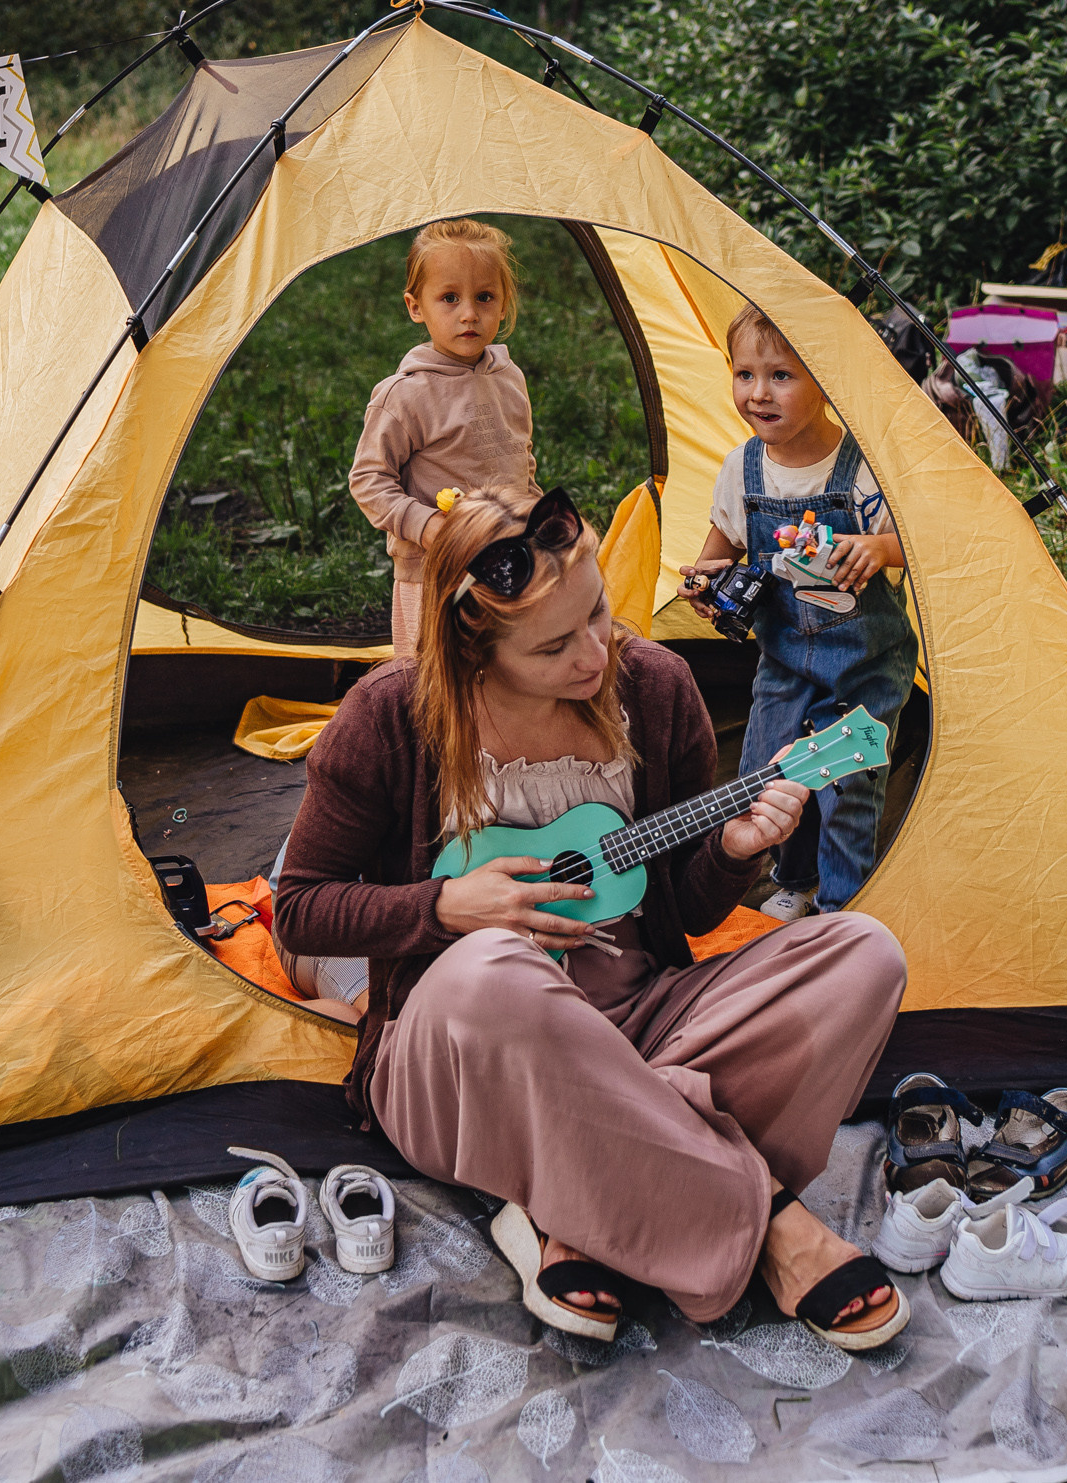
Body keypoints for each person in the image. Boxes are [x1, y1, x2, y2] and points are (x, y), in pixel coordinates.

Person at [273, 485, 910, 1347]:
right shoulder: (392, 715)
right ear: (475, 653)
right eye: (553, 645)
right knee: (492, 971)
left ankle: (568, 1195)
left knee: (865, 954)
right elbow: (301, 909)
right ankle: (768, 1222)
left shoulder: (655, 686)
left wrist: (732, 851)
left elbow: (679, 906)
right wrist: (445, 906)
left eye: (599, 613)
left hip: (645, 1020)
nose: (595, 653)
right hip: (468, 1052)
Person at [678, 305, 920, 921]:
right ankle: (795, 880)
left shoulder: (861, 467)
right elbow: (719, 551)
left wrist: (879, 547)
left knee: (848, 784)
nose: (759, 393)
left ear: (825, 380)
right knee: (769, 775)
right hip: (783, 656)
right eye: (744, 375)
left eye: (781, 375)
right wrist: (704, 586)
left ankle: (841, 906)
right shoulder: (742, 469)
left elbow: (914, 545)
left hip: (865, 660)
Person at [349, 219, 539, 658]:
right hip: (436, 573)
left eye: (484, 297)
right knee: (437, 686)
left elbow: (520, 462)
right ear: (416, 307)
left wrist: (536, 524)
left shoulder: (509, 378)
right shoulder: (406, 395)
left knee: (504, 675)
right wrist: (426, 525)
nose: (469, 313)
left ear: (505, 304)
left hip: (507, 563)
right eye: (449, 298)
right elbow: (369, 480)